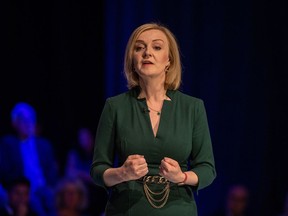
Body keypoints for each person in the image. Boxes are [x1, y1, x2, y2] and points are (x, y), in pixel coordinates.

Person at [90, 22, 216, 215]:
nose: (147, 52)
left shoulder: (193, 107)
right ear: (132, 59)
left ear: (169, 60)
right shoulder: (115, 106)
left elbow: (207, 169)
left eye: (156, 47)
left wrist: (181, 176)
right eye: (139, 48)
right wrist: (122, 173)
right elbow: (98, 170)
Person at [0, 102, 59, 216]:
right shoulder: (7, 144)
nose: (28, 123)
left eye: (31, 119)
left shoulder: (44, 144)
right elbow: (4, 170)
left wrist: (51, 186)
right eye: (23, 119)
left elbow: (52, 170)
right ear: (14, 123)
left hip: (43, 187)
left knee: (51, 198)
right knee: (33, 203)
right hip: (21, 189)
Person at [65, 128, 107, 215]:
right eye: (83, 138)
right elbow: (70, 172)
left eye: (87, 138)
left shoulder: (98, 154)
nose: (85, 141)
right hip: (80, 186)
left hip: (96, 188)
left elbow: (100, 175)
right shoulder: (74, 154)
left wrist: (84, 175)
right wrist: (84, 176)